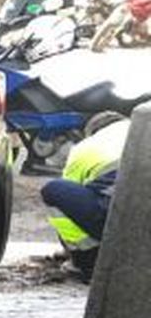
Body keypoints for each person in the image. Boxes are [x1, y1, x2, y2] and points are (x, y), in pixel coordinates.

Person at [41, 117, 130, 278]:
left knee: (54, 191)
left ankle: (87, 259)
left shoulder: (85, 147)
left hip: (120, 218)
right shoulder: (140, 129)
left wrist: (70, 250)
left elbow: (69, 203)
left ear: (92, 133)